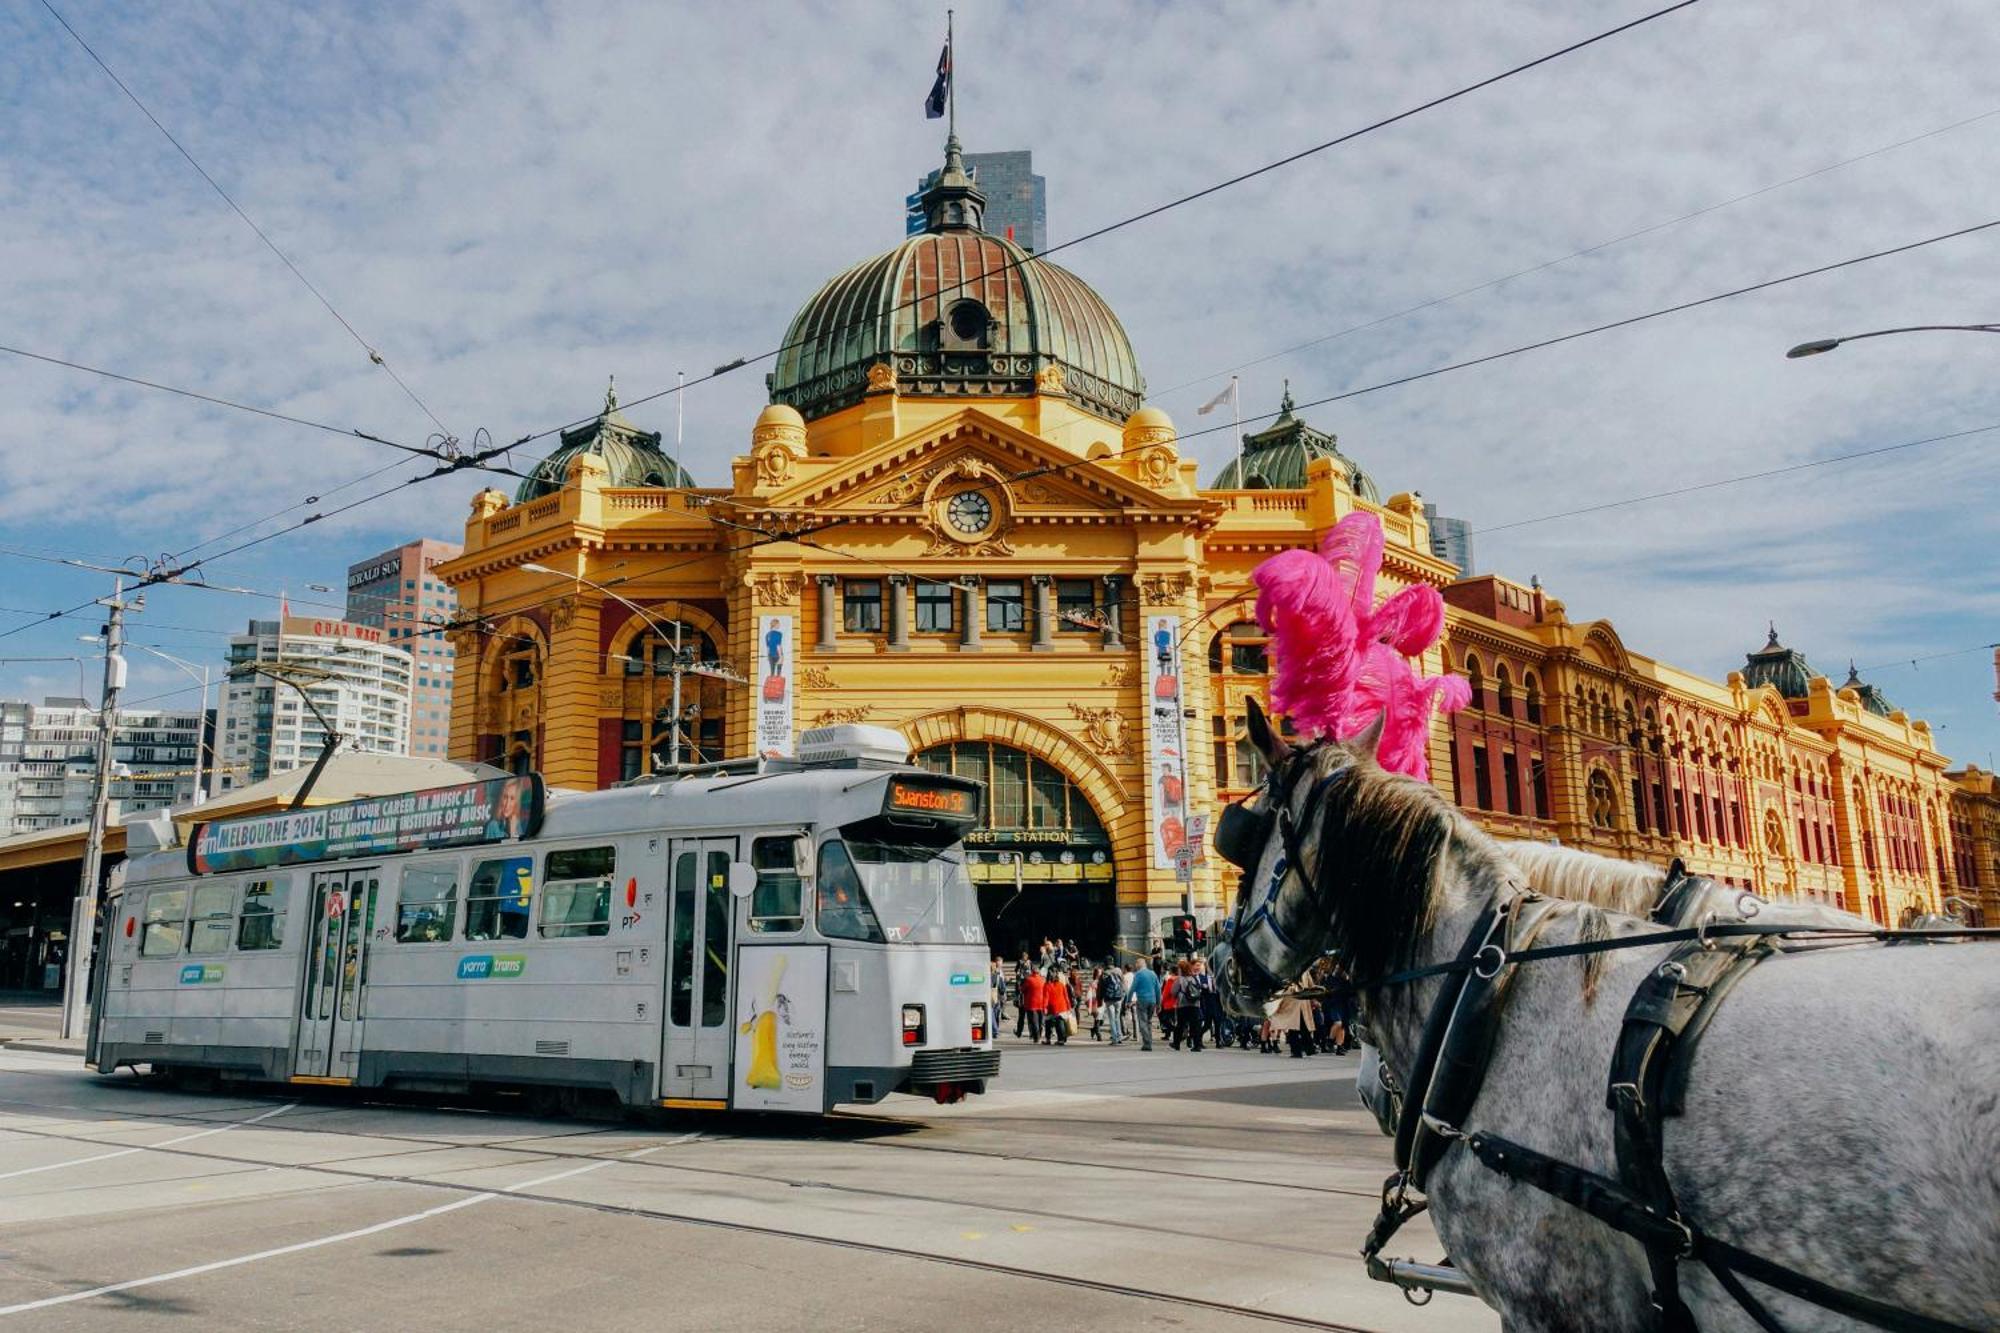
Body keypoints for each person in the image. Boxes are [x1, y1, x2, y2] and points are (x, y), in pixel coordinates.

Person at [1128, 957, 1160, 1051]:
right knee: (1148, 1022)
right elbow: (1158, 989)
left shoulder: (1138, 974)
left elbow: (1132, 988)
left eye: (1136, 964)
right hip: (1153, 1000)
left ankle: (1147, 1043)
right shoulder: (1153, 974)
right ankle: (1149, 1040)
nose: (1135, 966)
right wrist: (1159, 1003)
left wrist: (1128, 1000)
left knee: (1142, 1022)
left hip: (1142, 1000)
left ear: (1139, 964)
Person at [1173, 961, 1205, 1051]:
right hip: (1195, 1004)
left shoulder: (1180, 979)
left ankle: (1176, 1043)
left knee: (1180, 1025)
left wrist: (1178, 996)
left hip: (1183, 1005)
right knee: (1195, 1025)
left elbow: (1173, 992)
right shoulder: (1194, 978)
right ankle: (1197, 1045)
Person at [1096, 964, 1125, 1045]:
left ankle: (1114, 1039)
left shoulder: (1104, 974)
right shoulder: (1118, 971)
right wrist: (1123, 995)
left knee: (1111, 1019)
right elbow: (1123, 983)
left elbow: (1100, 988)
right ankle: (1119, 1037)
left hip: (1109, 999)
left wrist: (1100, 1000)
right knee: (1117, 1018)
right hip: (1118, 998)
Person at [1042, 969, 1072, 1046]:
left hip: (1051, 1007)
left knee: (1048, 1023)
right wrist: (1069, 1006)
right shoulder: (1061, 985)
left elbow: (1046, 998)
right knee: (1060, 1023)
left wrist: (1044, 1008)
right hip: (1062, 1006)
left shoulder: (1047, 985)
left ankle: (1048, 1039)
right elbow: (1066, 996)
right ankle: (1061, 1039)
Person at [1018, 965, 1045, 1043]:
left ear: (1032, 972)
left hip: (1031, 1004)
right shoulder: (1042, 979)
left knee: (1034, 1021)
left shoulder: (1029, 980)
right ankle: (1039, 1034)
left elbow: (1022, 990)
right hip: (1041, 1003)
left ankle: (1036, 1038)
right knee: (1040, 1021)